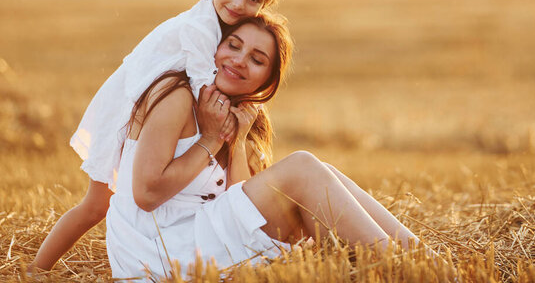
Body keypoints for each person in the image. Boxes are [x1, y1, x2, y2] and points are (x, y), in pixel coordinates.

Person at [105, 15, 422, 280]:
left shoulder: (227, 112)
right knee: (302, 168)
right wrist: (211, 139)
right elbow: (145, 195)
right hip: (155, 251)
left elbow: (237, 200)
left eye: (257, 60)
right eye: (233, 45)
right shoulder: (177, 96)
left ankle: (423, 259)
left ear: (265, 83)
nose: (239, 61)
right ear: (214, 46)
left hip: (195, 236)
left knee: (323, 174)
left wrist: (237, 141)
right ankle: (407, 269)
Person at [30, 0, 283, 271]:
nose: (238, 4)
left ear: (265, 4)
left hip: (143, 106)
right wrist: (216, 121)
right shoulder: (201, 26)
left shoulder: (221, 25)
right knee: (95, 206)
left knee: (98, 205)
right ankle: (37, 270)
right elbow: (202, 82)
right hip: (123, 110)